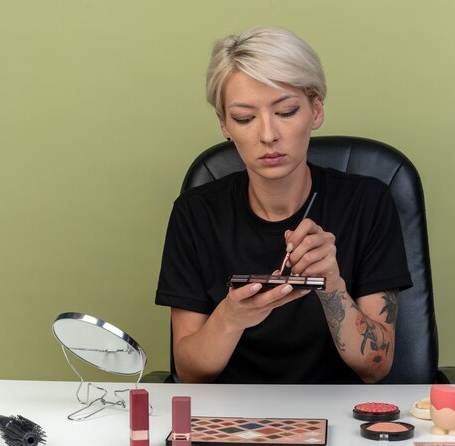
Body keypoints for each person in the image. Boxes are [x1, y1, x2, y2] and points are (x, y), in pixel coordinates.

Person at [155, 25, 412, 384]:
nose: (268, 135)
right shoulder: (195, 213)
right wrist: (231, 317)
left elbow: (375, 367)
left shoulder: (367, 203)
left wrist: (332, 285)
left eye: (287, 111)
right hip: (231, 422)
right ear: (224, 124)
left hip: (340, 417)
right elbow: (190, 373)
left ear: (316, 110)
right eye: (245, 118)